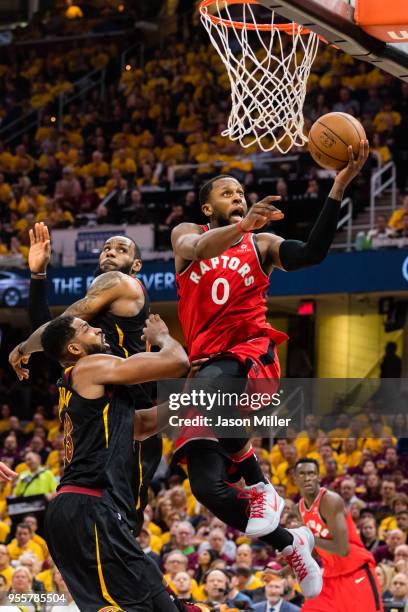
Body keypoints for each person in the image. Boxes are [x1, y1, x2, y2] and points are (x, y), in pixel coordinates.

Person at [171, 145, 368, 592]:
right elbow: (197, 247)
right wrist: (241, 224)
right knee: (205, 487)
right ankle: (291, 542)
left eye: (241, 191)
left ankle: (260, 486)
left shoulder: (260, 244)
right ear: (208, 206)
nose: (238, 196)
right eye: (227, 192)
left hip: (249, 357)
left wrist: (338, 186)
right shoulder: (188, 233)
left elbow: (312, 253)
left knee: (211, 385)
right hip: (206, 372)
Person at [9, 223, 162, 538]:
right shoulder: (96, 305)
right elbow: (55, 337)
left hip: (130, 409)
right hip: (103, 407)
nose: (111, 252)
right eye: (107, 247)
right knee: (97, 519)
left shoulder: (121, 282)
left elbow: (56, 331)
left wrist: (24, 347)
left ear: (136, 265)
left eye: (121, 249)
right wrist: (38, 276)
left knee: (121, 522)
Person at [41, 313, 189, 610]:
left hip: (86, 511)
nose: (97, 328)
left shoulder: (91, 389)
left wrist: (192, 394)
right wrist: (162, 337)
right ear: (74, 349)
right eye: (86, 328)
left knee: (163, 606)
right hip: (88, 508)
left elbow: (143, 425)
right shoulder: (88, 366)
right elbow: (177, 362)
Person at [294, 457, 383, 612]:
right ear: (295, 478)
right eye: (302, 474)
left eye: (311, 473)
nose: (307, 478)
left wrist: (308, 538)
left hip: (356, 570)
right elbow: (312, 551)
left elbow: (342, 549)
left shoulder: (330, 501)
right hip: (330, 575)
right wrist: (284, 569)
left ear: (318, 477)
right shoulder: (299, 509)